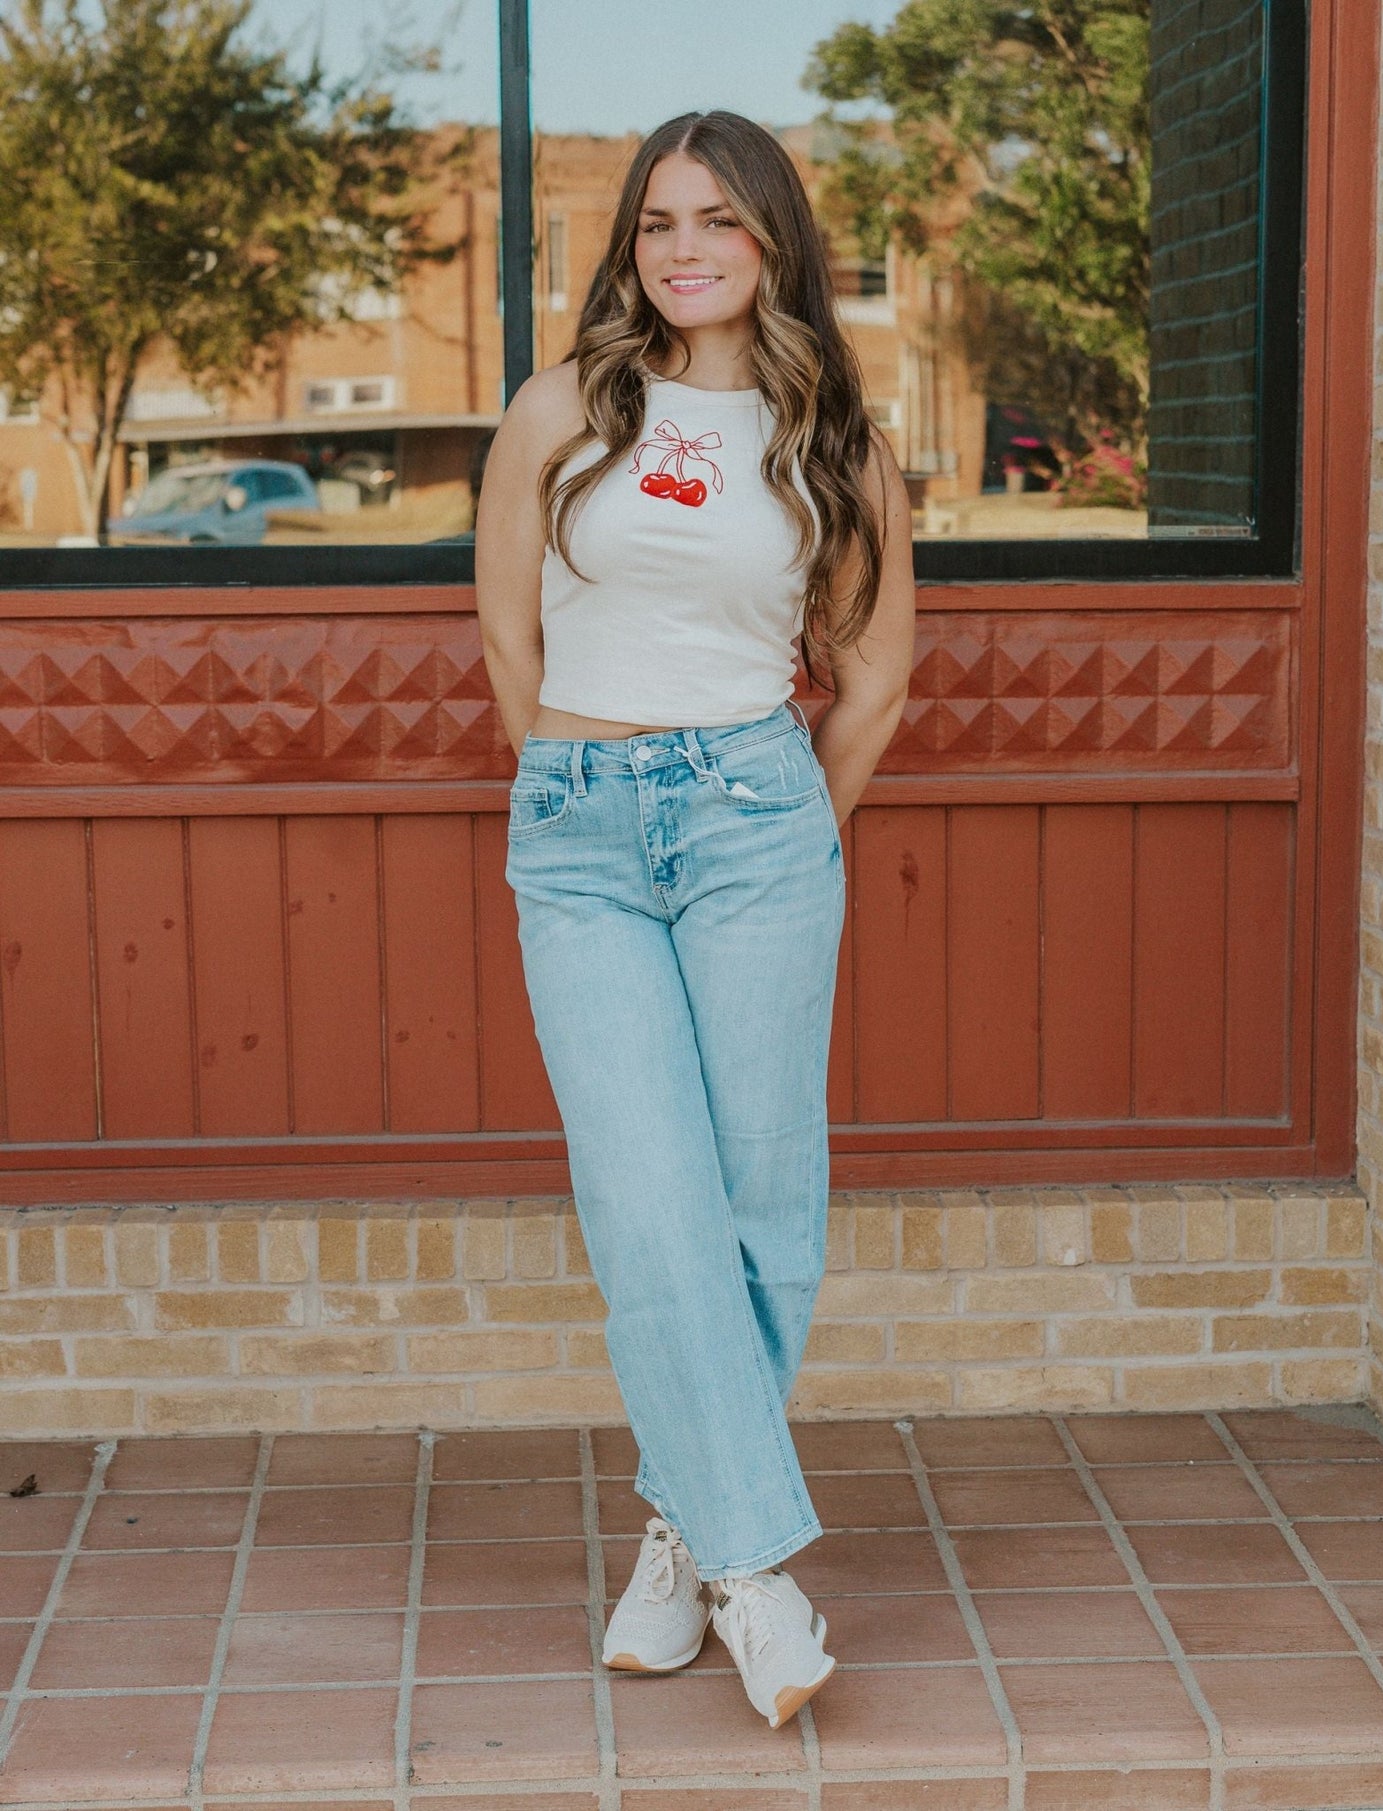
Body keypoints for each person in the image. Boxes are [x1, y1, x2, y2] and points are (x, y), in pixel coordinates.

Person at [474, 108, 915, 1729]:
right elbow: (510, 640)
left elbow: (874, 683)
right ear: (631, 246)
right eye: (659, 222)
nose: (685, 249)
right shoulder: (560, 410)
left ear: (772, 239)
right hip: (581, 832)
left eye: (718, 219)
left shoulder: (835, 440)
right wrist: (573, 784)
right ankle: (754, 1575)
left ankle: (679, 1542)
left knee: (760, 1202)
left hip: (756, 824)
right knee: (649, 1204)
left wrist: (785, 831)